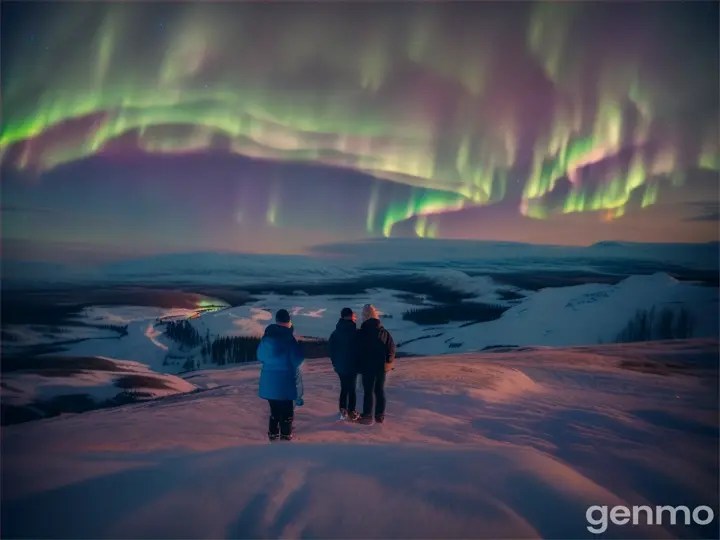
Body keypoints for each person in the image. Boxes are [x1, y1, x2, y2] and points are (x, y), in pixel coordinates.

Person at [257, 309, 304, 441]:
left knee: (274, 410)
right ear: (288, 322)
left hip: (269, 383)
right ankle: (285, 435)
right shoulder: (290, 340)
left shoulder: (266, 338)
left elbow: (260, 356)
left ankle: (272, 434)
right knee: (287, 411)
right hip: (285, 383)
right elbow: (298, 359)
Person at [356, 304, 396, 425]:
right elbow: (391, 348)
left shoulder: (362, 332)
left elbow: (358, 349)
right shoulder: (383, 331)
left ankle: (367, 415)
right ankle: (380, 415)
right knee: (379, 390)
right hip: (381, 366)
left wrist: (358, 363)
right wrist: (388, 361)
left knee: (368, 391)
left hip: (367, 366)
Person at [328, 307, 360, 421]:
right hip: (353, 365)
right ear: (352, 316)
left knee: (344, 388)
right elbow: (360, 350)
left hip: (341, 366)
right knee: (351, 388)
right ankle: (351, 410)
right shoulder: (356, 332)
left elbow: (331, 349)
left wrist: (335, 363)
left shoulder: (336, 332)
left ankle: (343, 409)